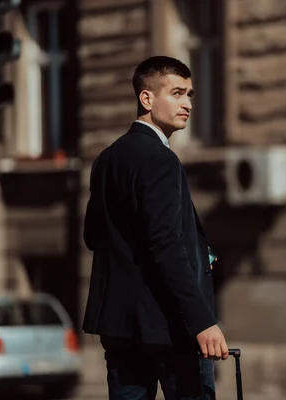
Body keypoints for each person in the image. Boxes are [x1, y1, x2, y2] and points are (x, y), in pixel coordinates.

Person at [82, 56, 228, 400]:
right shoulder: (160, 160)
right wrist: (202, 321)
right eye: (177, 93)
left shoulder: (108, 158)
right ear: (146, 99)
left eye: (190, 94)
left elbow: (93, 235)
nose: (187, 104)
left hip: (119, 325)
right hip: (169, 327)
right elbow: (164, 244)